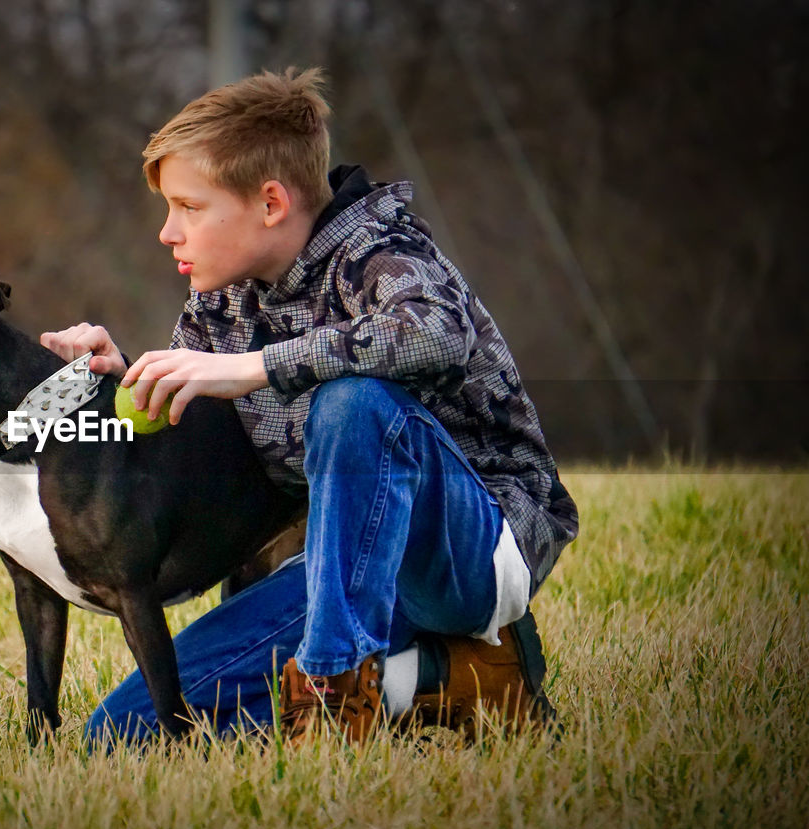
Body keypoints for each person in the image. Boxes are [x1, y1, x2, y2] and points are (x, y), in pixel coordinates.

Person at [40, 68, 579, 746]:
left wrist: (254, 368)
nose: (167, 232)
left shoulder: (380, 249)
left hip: (471, 550)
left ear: (270, 202)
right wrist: (122, 381)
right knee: (127, 730)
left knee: (352, 405)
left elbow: (435, 330)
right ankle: (464, 676)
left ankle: (331, 690)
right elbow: (185, 445)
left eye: (188, 207)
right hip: (336, 569)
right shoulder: (219, 302)